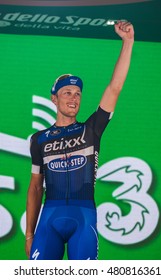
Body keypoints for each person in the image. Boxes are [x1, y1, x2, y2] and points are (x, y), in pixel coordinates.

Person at [25, 20, 134, 260]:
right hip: (49, 219)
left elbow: (114, 88)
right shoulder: (39, 139)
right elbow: (34, 188)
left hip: (83, 217)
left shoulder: (92, 129)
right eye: (67, 93)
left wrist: (128, 42)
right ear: (54, 99)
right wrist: (29, 234)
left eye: (77, 94)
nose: (73, 98)